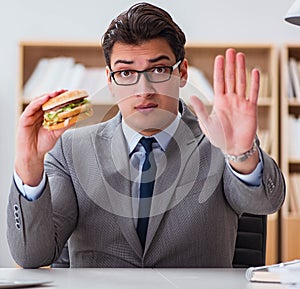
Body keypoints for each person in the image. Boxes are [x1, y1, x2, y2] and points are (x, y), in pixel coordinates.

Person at [7, 2, 285, 268]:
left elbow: (264, 203)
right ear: (110, 81)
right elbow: (32, 256)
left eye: (159, 69)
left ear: (183, 73)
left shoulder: (221, 140)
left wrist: (241, 155)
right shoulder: (70, 150)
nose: (144, 89)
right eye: (126, 72)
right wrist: (29, 169)